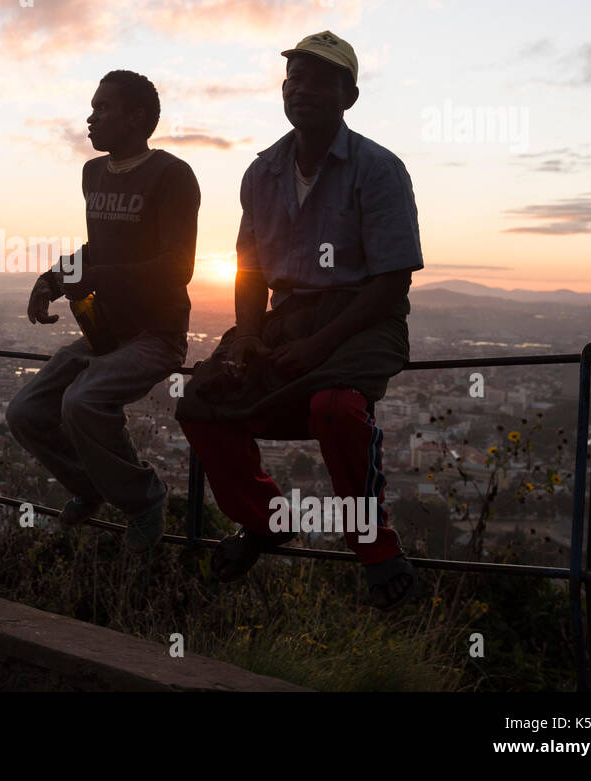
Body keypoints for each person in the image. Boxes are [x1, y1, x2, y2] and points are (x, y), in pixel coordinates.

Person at [175, 31, 424, 610]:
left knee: (335, 408)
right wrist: (250, 335)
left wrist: (319, 345)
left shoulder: (378, 169)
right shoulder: (261, 173)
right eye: (293, 80)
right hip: (285, 319)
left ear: (349, 96)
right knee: (200, 403)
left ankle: (375, 546)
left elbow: (391, 281)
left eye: (317, 81)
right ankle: (266, 520)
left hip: (362, 319)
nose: (300, 90)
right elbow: (249, 270)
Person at [6, 70, 200, 553]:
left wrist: (96, 278)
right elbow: (99, 247)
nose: (90, 119)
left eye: (102, 108)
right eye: (92, 108)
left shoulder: (173, 175)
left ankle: (144, 498)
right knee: (24, 411)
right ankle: (89, 487)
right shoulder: (93, 173)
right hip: (106, 334)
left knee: (82, 402)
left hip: (158, 334)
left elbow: (179, 267)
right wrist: (53, 278)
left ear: (136, 118)